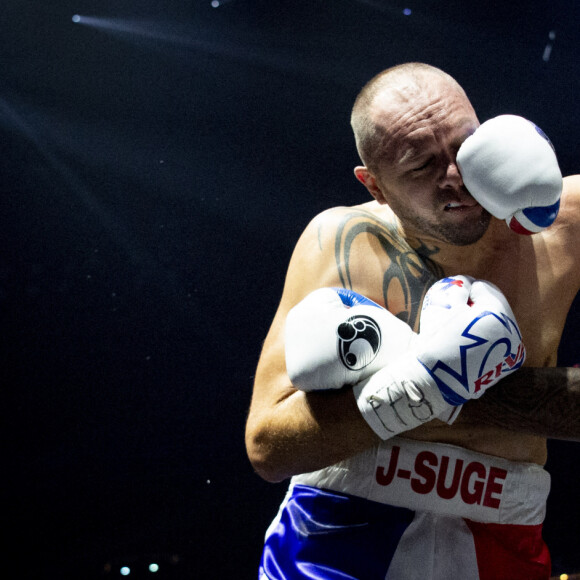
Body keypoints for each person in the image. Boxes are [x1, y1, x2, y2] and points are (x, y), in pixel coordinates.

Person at [245, 62, 580, 579]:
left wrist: (438, 385)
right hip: (340, 533)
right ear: (375, 185)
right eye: (422, 165)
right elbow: (266, 444)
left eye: (464, 146)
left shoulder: (564, 221)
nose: (456, 178)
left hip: (503, 528)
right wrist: (428, 383)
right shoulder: (341, 242)